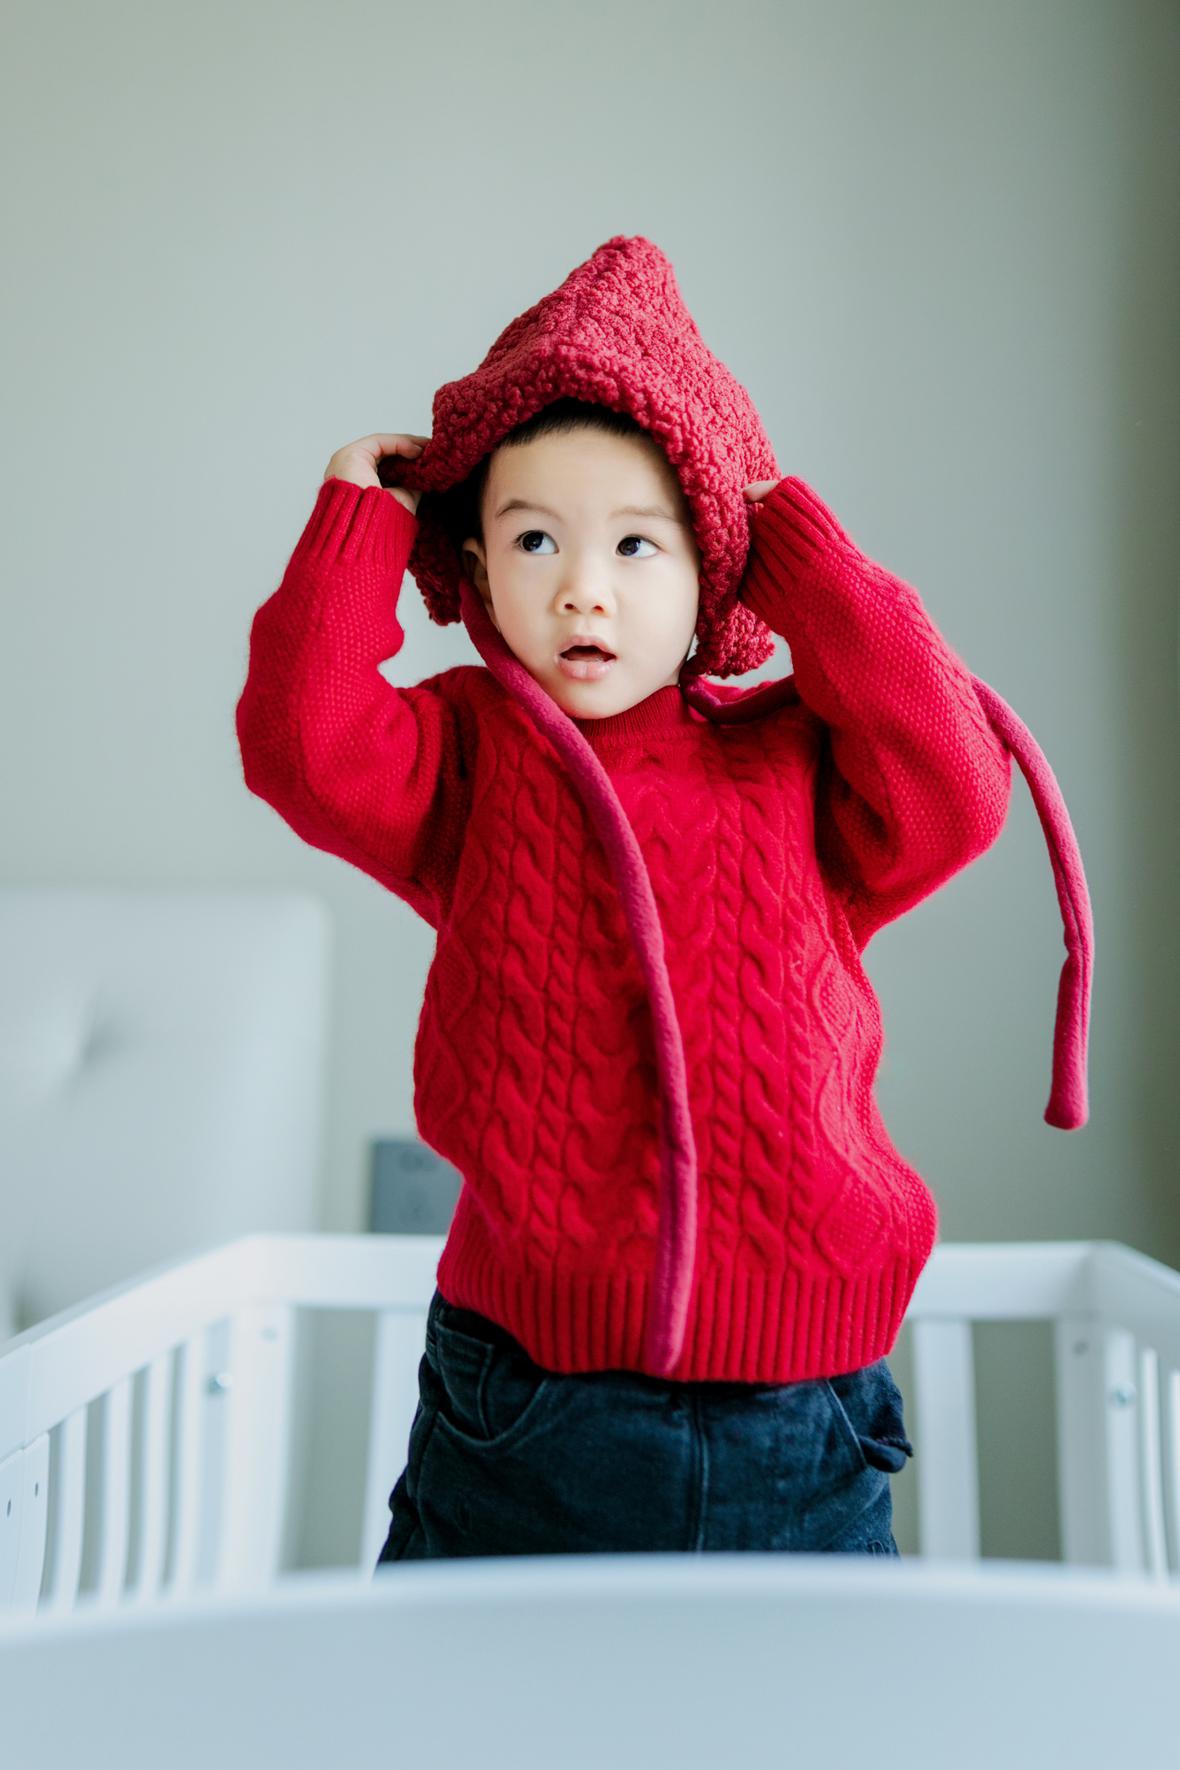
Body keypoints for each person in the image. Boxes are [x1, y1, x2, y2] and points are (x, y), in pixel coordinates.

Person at [234, 235, 1093, 1564]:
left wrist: (802, 557)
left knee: (802, 1689)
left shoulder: (800, 762)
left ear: (713, 578)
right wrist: (359, 521)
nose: (583, 585)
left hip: (803, 1408)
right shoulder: (466, 756)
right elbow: (302, 742)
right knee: (476, 1683)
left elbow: (956, 790)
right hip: (525, 1402)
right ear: (478, 565)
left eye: (639, 543)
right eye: (535, 538)